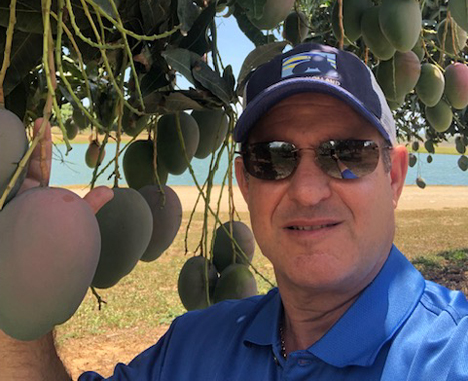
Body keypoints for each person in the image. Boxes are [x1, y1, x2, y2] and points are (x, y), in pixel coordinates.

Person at [2, 42, 468, 380]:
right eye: (274, 157)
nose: (307, 191)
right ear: (246, 183)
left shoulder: (452, 355)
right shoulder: (190, 350)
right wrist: (20, 280)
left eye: (347, 154)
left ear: (393, 177)